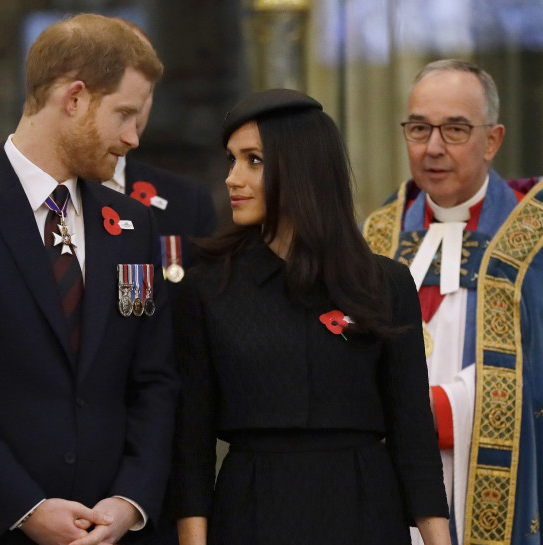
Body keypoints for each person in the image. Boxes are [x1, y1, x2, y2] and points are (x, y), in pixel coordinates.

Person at [0, 13, 178, 545]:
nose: (133, 138)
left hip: (109, 530)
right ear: (74, 99)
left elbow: (155, 378)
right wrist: (26, 507)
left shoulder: (134, 226)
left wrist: (130, 500)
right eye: (124, 115)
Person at [362, 59, 543, 545]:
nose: (432, 148)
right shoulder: (379, 236)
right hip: (391, 489)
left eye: (454, 130)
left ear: (492, 140)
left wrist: (439, 408)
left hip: (501, 496)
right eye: (419, 128)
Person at [169, 88, 451, 545]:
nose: (232, 178)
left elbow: (413, 436)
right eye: (231, 160)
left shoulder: (386, 284)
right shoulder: (207, 289)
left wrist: (440, 540)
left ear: (300, 168)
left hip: (364, 512)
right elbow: (191, 446)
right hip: (251, 511)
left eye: (253, 160)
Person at [102, 25, 217, 296]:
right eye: (123, 84)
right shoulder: (49, 195)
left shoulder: (188, 202)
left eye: (146, 89)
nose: (137, 105)